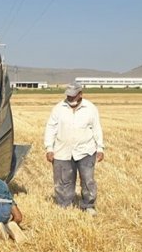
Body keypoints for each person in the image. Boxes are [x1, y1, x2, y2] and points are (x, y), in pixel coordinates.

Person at [44, 82, 104, 214]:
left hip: (86, 151)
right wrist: (49, 148)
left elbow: (96, 128)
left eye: (73, 96)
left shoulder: (90, 108)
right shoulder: (58, 108)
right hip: (62, 150)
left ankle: (88, 205)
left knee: (88, 180)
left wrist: (100, 148)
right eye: (68, 96)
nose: (70, 98)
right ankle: (64, 206)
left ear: (80, 94)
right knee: (63, 181)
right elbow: (51, 128)